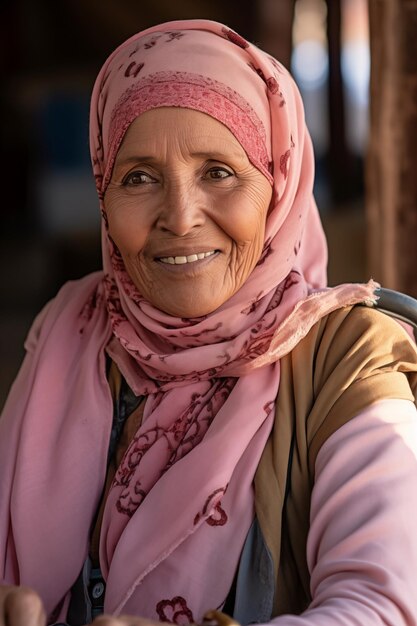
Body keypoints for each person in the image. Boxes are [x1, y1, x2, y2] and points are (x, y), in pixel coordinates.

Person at [1, 18, 417, 626]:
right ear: (103, 194)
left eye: (219, 172)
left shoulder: (350, 356)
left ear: (279, 184)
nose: (180, 216)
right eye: (138, 177)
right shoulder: (72, 328)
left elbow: (381, 606)